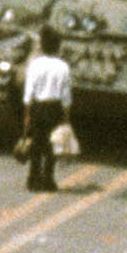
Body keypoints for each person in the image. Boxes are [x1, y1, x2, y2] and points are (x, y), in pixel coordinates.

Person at [20, 26, 73, 192]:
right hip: (55, 108)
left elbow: (29, 92)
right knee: (52, 146)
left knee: (36, 144)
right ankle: (48, 180)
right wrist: (66, 118)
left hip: (37, 107)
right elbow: (66, 96)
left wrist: (27, 115)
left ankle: (33, 179)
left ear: (42, 46)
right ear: (58, 46)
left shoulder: (35, 65)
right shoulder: (63, 67)